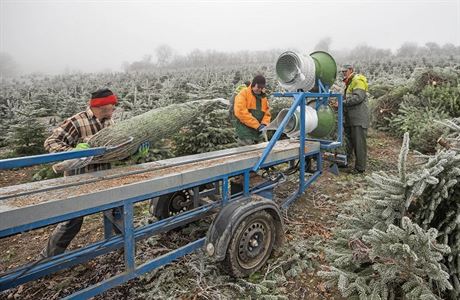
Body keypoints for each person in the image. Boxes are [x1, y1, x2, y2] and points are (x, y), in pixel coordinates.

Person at [41, 88, 146, 257]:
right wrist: (74, 151)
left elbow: (115, 151)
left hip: (104, 177)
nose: (113, 111)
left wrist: (135, 152)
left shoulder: (109, 122)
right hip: (79, 181)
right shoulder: (77, 122)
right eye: (111, 107)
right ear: (101, 106)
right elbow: (51, 142)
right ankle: (48, 259)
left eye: (113, 108)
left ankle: (126, 250)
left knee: (117, 213)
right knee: (72, 221)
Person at [341, 64, 369, 174]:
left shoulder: (358, 80)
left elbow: (358, 97)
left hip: (358, 118)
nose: (343, 73)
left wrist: (342, 103)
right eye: (342, 72)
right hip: (350, 119)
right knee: (349, 142)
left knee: (359, 143)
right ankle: (346, 161)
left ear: (351, 70)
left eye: (345, 71)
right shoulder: (349, 82)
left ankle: (360, 168)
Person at [233, 75, 271, 146]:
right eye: (258, 87)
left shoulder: (263, 97)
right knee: (246, 154)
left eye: (261, 88)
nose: (259, 89)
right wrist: (257, 125)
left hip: (258, 133)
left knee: (260, 153)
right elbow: (240, 112)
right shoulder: (243, 94)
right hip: (245, 133)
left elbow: (267, 113)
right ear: (253, 85)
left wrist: (264, 124)